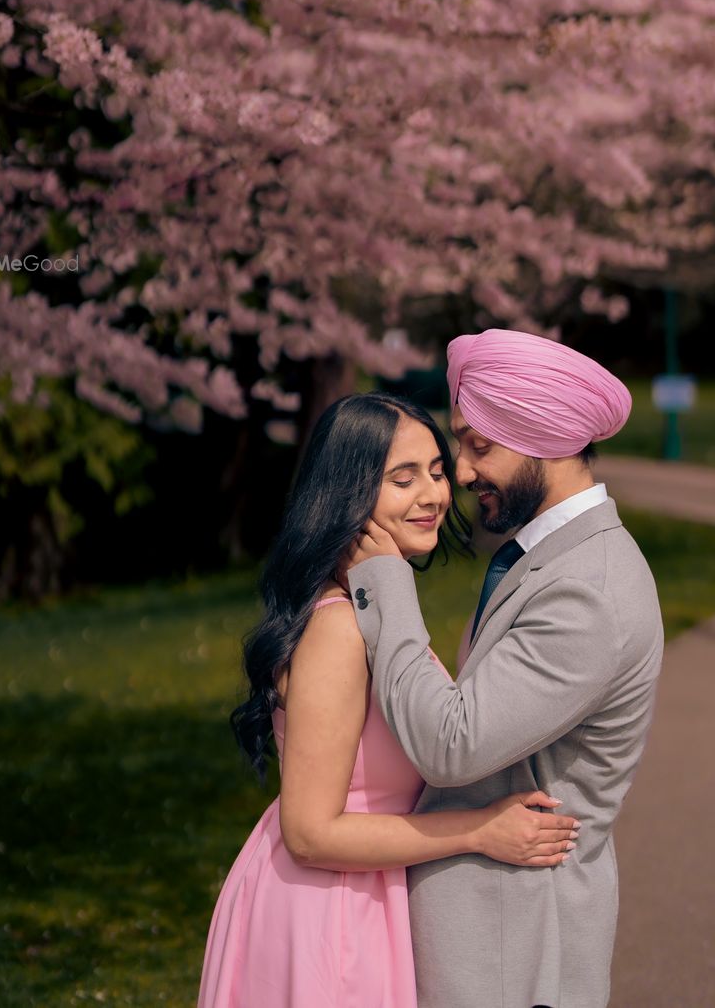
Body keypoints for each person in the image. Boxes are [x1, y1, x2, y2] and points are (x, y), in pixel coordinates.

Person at [197, 391, 581, 1008]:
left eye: (435, 471)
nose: (433, 495)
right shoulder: (338, 629)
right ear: (348, 494)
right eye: (402, 479)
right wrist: (480, 830)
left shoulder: (370, 610)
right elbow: (311, 833)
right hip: (329, 913)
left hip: (365, 898)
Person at [344, 330, 664, 1008]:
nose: (460, 473)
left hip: (509, 949)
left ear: (544, 437)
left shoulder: (590, 590)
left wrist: (383, 582)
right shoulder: (548, 559)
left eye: (478, 445)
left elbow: (451, 746)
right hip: (495, 933)